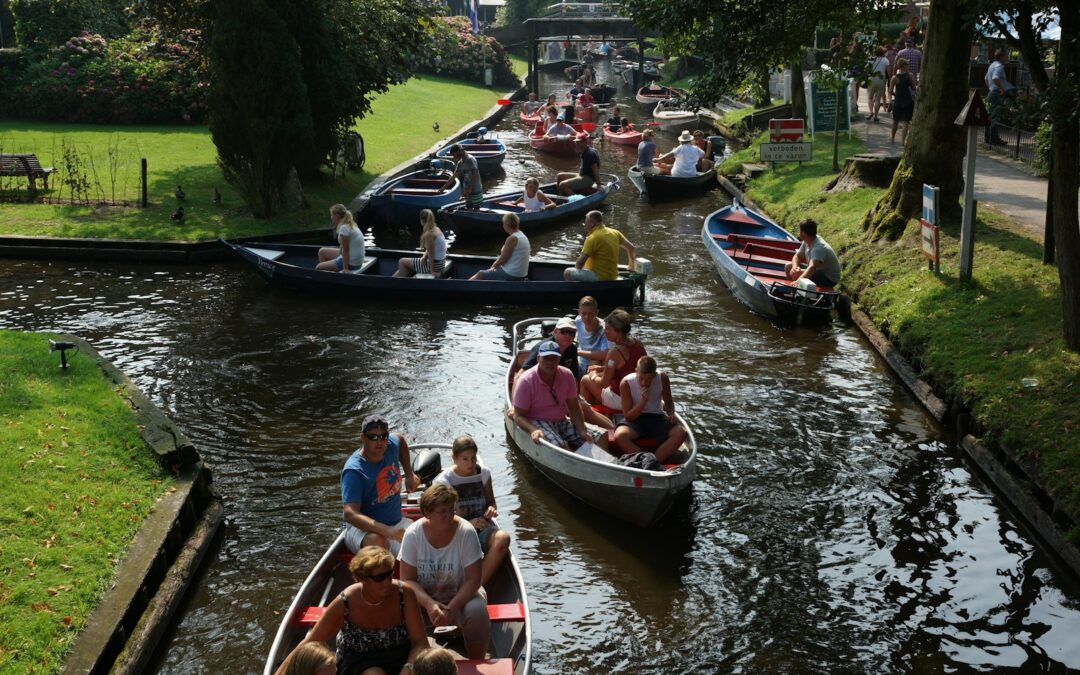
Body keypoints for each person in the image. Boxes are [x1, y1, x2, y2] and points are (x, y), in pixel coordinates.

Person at [283, 546, 427, 675]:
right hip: (358, 660)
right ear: (361, 578)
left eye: (389, 574)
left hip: (400, 657)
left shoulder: (404, 594)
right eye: (379, 578)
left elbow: (420, 642)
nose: (387, 581)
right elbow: (310, 642)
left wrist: (408, 667)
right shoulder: (346, 601)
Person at [399, 484, 490, 660]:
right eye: (442, 511)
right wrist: (430, 604)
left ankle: (476, 661)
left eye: (451, 510)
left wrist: (452, 608)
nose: (449, 516)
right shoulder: (413, 534)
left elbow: (474, 579)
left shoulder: (466, 532)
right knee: (398, 610)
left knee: (477, 610)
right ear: (427, 512)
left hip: (461, 595)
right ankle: (411, 660)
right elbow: (407, 580)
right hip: (426, 598)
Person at [433, 435, 511, 588]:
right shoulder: (444, 481)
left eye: (473, 458)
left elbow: (491, 502)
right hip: (455, 531)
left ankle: (474, 587)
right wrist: (469, 523)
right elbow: (442, 518)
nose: (471, 463)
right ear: (454, 458)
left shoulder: (484, 474)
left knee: (503, 538)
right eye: (465, 459)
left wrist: (491, 509)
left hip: (482, 528)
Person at [341, 415, 421, 554]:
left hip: (395, 522)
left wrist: (409, 475)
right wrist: (387, 531)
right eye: (373, 437)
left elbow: (400, 440)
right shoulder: (354, 471)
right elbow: (350, 514)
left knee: (421, 544)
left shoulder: (390, 445)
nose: (380, 442)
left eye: (384, 436)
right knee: (377, 541)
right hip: (364, 530)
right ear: (363, 437)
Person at [512, 339, 600, 451]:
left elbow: (574, 408)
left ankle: (602, 462)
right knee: (562, 448)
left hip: (561, 420)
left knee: (599, 436)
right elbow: (518, 416)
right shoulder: (526, 381)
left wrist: (582, 430)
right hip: (537, 420)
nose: (550, 362)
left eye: (554, 358)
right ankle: (576, 464)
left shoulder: (567, 375)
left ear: (559, 359)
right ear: (538, 358)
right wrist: (533, 429)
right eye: (546, 358)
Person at [614, 356, 688, 463]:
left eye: (648, 379)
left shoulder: (662, 378)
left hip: (656, 417)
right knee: (620, 436)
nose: (644, 383)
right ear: (636, 372)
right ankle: (644, 461)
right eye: (641, 378)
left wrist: (671, 414)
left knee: (681, 433)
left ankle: (654, 462)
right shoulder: (626, 383)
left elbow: (668, 402)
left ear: (654, 375)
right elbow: (628, 415)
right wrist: (643, 401)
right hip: (636, 418)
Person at [579, 308, 647, 411]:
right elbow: (626, 367)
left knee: (585, 380)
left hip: (621, 399)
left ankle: (589, 416)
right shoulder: (637, 342)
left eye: (607, 328)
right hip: (639, 396)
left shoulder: (614, 352)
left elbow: (603, 384)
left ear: (618, 331)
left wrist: (593, 376)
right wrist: (602, 368)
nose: (604, 332)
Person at [563, 210, 636, 282]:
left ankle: (576, 292)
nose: (584, 224)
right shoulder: (615, 232)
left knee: (567, 272)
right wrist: (631, 266)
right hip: (613, 276)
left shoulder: (593, 237)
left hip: (600, 278)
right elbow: (631, 248)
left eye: (586, 222)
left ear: (592, 224)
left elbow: (580, 263)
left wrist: (577, 271)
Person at [469, 213, 530, 281]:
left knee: (480, 274)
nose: (503, 225)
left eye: (503, 223)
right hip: (520, 274)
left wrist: (492, 268)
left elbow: (502, 259)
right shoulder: (521, 235)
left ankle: (465, 288)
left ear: (507, 225)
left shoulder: (513, 238)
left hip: (512, 274)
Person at [784, 218, 842, 288]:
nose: (798, 233)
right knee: (788, 266)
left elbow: (812, 267)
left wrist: (798, 281)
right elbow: (797, 256)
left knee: (797, 273)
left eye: (799, 231)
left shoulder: (819, 248)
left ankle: (795, 290)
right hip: (817, 271)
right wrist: (794, 267)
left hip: (829, 277)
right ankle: (792, 288)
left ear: (804, 233)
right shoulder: (807, 240)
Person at [519, 316, 580, 380]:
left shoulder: (573, 350)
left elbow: (574, 376)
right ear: (555, 332)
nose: (568, 335)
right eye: (564, 331)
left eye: (572, 333)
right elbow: (522, 373)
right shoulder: (541, 348)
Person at [394, 209, 447, 278]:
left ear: (422, 220)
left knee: (402, 261)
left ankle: (399, 283)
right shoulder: (436, 228)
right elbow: (431, 249)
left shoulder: (429, 234)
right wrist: (424, 256)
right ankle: (396, 280)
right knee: (401, 270)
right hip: (440, 263)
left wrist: (432, 272)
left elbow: (431, 255)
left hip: (435, 266)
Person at [316, 203, 365, 273]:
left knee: (318, 267)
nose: (331, 217)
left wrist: (345, 268)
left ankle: (328, 277)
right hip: (355, 259)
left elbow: (346, 250)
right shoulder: (350, 224)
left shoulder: (344, 228)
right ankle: (329, 272)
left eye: (331, 215)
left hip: (352, 263)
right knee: (322, 251)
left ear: (337, 215)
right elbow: (343, 248)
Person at [984, 50, 1015, 145]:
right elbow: (995, 77)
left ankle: (988, 138)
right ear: (1002, 56)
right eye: (1006, 55)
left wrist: (990, 88)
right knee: (995, 117)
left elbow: (985, 78)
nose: (1008, 57)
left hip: (993, 92)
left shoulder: (992, 65)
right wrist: (1002, 89)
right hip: (998, 93)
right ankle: (994, 139)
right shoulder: (999, 66)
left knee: (991, 116)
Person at [574, 295, 609, 373]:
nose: (587, 317)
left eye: (591, 314)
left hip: (596, 362)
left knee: (595, 362)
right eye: (583, 313)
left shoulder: (604, 329)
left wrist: (577, 352)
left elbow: (605, 354)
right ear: (579, 312)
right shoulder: (577, 321)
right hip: (580, 360)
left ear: (597, 312)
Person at [443, 144, 483, 209]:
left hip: (475, 188)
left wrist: (470, 188)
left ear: (459, 152)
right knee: (469, 207)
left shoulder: (470, 159)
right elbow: (454, 176)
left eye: (454, 155)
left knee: (476, 208)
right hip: (466, 189)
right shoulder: (460, 163)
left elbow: (474, 174)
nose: (454, 157)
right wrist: (443, 188)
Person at [889, 57, 916, 144]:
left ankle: (892, 138)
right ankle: (902, 141)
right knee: (906, 122)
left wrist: (895, 95)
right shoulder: (910, 75)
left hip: (898, 101)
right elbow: (914, 87)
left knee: (895, 120)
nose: (908, 66)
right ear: (903, 66)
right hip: (908, 100)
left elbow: (890, 91)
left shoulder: (894, 78)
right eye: (907, 64)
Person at [868, 46, 890, 122]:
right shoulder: (885, 60)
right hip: (881, 79)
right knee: (877, 99)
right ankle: (876, 116)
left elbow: (867, 69)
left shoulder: (871, 59)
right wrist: (889, 79)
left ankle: (871, 112)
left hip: (872, 79)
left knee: (870, 97)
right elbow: (888, 71)